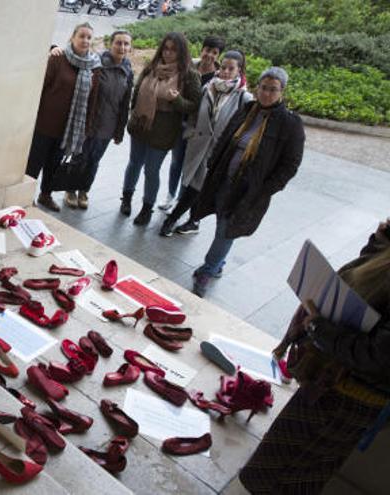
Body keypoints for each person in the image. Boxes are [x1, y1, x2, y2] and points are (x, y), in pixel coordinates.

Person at [239, 219, 390, 493]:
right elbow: (366, 283)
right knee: (272, 465)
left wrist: (318, 326)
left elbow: (380, 355)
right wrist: (379, 241)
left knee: (289, 474)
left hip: (350, 397)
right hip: (332, 382)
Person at [190, 67, 305, 296]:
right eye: (263, 88)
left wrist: (266, 189)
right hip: (224, 179)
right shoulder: (248, 110)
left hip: (249, 190)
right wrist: (213, 162)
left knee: (226, 229)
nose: (266, 94)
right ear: (257, 87)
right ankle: (219, 263)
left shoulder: (290, 124)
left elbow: (290, 164)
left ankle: (208, 269)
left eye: (273, 90)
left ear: (282, 92)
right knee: (222, 222)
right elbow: (226, 136)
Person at [160, 51, 251, 237]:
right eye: (223, 67)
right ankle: (193, 221)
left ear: (239, 70)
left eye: (231, 68)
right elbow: (194, 114)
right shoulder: (208, 87)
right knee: (192, 185)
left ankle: (172, 220)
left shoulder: (244, 98)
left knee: (196, 187)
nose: (225, 71)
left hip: (217, 151)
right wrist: (190, 133)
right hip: (198, 145)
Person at [119, 32, 201, 226]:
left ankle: (147, 208)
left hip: (163, 132)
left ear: (181, 52)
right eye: (166, 48)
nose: (168, 53)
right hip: (141, 125)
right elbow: (137, 92)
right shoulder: (151, 68)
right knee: (134, 163)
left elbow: (195, 105)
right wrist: (134, 114)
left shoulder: (189, 74)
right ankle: (126, 199)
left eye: (174, 49)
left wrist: (177, 100)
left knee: (151, 170)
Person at [26, 23, 101, 212]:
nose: (85, 40)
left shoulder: (94, 67)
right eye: (81, 36)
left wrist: (87, 128)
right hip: (45, 124)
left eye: (88, 37)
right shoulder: (58, 59)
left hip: (68, 130)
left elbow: (93, 100)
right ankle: (26, 197)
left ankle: (45, 195)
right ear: (72, 38)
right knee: (34, 163)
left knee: (54, 165)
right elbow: (41, 88)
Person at [56, 30, 134, 210]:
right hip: (88, 121)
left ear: (130, 47)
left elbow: (125, 102)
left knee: (94, 161)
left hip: (109, 125)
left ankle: (84, 190)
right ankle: (70, 190)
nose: (122, 47)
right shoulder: (96, 63)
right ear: (110, 44)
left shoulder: (127, 70)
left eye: (126, 44)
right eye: (118, 43)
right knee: (79, 158)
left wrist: (119, 130)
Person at [158, 35, 226, 213]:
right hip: (181, 125)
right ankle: (170, 196)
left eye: (214, 52)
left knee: (191, 168)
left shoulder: (219, 78)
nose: (209, 55)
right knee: (176, 162)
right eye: (207, 50)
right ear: (201, 49)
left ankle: (181, 201)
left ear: (218, 55)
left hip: (200, 131)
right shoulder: (188, 67)